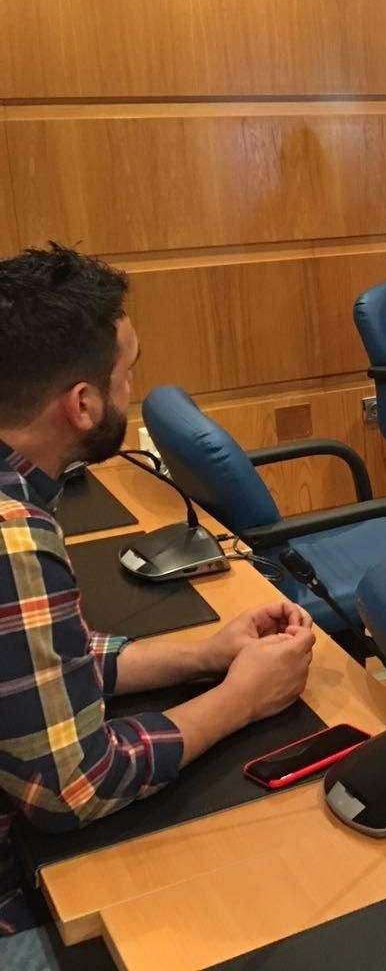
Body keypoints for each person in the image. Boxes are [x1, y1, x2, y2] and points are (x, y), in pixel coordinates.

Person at [0, 245, 314, 946]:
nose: (131, 390)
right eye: (127, 375)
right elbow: (76, 787)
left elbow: (45, 666)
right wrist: (243, 698)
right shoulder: (12, 535)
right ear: (82, 405)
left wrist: (204, 655)